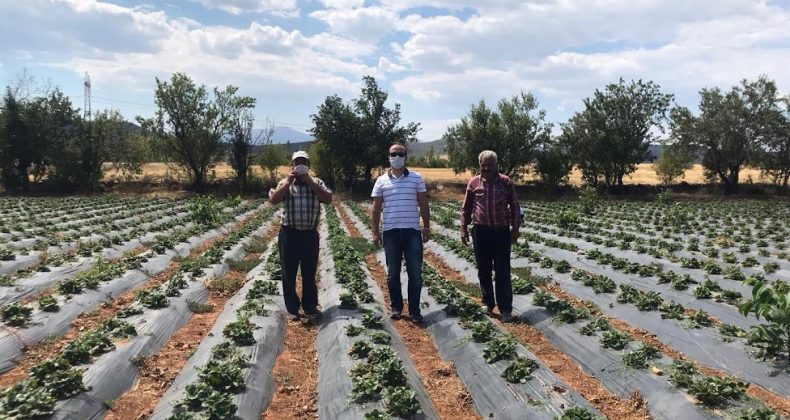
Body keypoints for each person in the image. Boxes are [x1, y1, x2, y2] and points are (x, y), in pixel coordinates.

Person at [269, 150, 333, 322]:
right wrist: (288, 182)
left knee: (309, 273)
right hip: (289, 234)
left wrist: (310, 181)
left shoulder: (317, 182)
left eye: (304, 162)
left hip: (309, 235)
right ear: (292, 165)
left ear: (309, 165)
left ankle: (310, 307)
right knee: (288, 273)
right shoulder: (284, 182)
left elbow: (327, 199)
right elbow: (273, 200)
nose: (300, 165)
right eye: (297, 162)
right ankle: (292, 309)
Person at [371, 143, 431, 323]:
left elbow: (423, 203)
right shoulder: (381, 180)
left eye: (400, 154)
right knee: (392, 274)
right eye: (393, 154)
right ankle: (396, 307)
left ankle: (414, 310)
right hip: (390, 232)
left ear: (406, 156)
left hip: (412, 232)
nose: (396, 157)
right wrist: (375, 232)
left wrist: (426, 226)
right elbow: (376, 208)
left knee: (415, 274)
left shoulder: (416, 178)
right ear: (388, 157)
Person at [460, 150, 520, 323]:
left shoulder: (505, 182)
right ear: (480, 165)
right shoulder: (473, 183)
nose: (486, 168)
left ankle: (506, 309)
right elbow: (466, 208)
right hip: (481, 231)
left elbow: (515, 206)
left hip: (501, 232)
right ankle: (487, 303)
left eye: (490, 165)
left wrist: (515, 229)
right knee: (483, 269)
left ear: (496, 165)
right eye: (483, 165)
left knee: (502, 271)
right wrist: (463, 228)